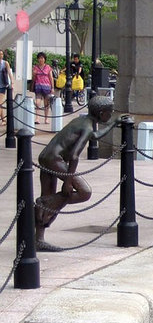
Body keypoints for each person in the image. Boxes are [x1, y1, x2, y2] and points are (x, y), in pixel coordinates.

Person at [35, 96, 121, 251]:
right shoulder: (87, 127)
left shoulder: (82, 121)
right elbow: (75, 155)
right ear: (101, 113)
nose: (111, 114)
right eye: (110, 112)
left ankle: (38, 238)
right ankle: (44, 203)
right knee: (84, 192)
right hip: (55, 159)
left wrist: (114, 123)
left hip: (46, 156)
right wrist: (68, 182)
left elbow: (94, 136)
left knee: (50, 198)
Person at [32, 52, 54, 124]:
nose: (41, 59)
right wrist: (34, 74)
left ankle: (46, 118)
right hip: (38, 87)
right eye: (39, 58)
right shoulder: (35, 67)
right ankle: (37, 118)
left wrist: (52, 87)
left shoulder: (48, 67)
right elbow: (34, 78)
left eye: (42, 58)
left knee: (46, 104)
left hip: (47, 88)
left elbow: (51, 78)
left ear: (44, 59)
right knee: (37, 103)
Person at [0, 50, 14, 125]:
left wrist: (12, 82)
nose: (1, 55)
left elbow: (9, 73)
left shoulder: (5, 63)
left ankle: (3, 119)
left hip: (2, 86)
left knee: (0, 102)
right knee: (0, 104)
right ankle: (3, 119)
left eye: (2, 54)